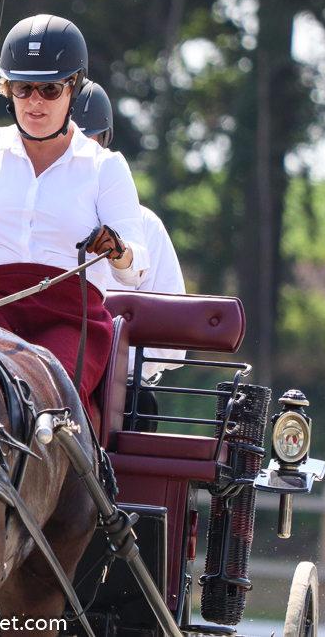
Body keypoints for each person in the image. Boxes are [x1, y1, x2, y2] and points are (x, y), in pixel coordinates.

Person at [0, 14, 149, 413]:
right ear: (8, 89)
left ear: (73, 87)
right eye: (23, 88)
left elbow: (135, 270)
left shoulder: (105, 166)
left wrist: (118, 251)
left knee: (48, 399)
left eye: (49, 88)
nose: (35, 101)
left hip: (68, 317)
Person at [71, 80, 186, 430]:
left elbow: (171, 345)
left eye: (83, 145)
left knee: (136, 400)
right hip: (27, 364)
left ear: (102, 144)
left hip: (114, 387)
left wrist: (116, 365)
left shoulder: (144, 225)